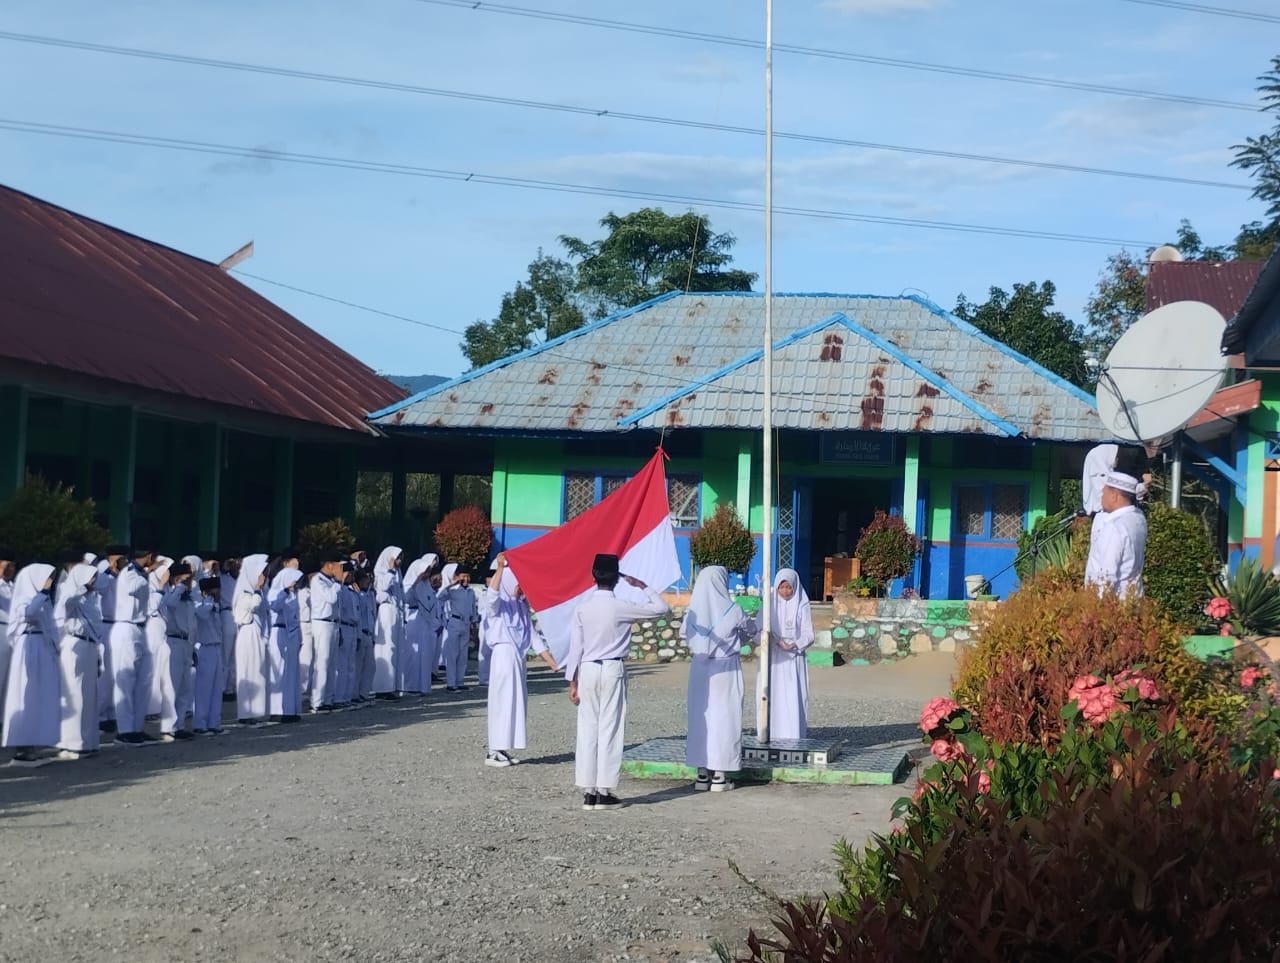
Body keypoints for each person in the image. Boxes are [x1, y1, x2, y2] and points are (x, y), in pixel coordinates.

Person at [563, 553, 668, 811]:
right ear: (617, 578)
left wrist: (572, 681)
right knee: (610, 727)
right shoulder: (622, 605)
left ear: (593, 576)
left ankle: (588, 791)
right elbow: (661, 608)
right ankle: (604, 790)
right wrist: (642, 586)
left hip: (587, 668)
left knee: (588, 728)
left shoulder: (583, 608)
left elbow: (575, 647)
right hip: (612, 667)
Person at [682, 565, 757, 793]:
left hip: (699, 668)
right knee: (725, 717)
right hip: (725, 668)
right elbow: (751, 630)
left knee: (699, 717)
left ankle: (702, 774)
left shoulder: (692, 612)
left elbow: (684, 635)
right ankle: (720, 776)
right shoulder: (732, 609)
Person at [483, 553, 558, 768]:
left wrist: (551, 662)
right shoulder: (498, 605)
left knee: (513, 702)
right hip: (503, 655)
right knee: (502, 701)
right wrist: (499, 568)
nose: (520, 587)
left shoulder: (519, 606)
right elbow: (492, 595)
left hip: (516, 657)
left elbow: (533, 637)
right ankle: (492, 750)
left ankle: (501, 746)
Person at [2, 563, 60, 764]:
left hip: (41, 646)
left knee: (39, 696)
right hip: (29, 645)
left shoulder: (43, 600)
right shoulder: (27, 597)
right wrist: (43, 591)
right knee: (26, 694)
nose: (49, 582)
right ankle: (23, 746)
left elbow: (50, 624)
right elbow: (28, 613)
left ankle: (34, 742)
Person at [104, 546, 155, 745]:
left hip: (140, 628)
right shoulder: (130, 572)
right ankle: (125, 731)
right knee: (125, 681)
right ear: (148, 556)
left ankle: (137, 728)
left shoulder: (139, 573)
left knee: (144, 681)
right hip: (125, 627)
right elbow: (134, 588)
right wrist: (149, 573)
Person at [54, 561, 103, 759]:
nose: (94, 581)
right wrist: (82, 588)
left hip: (90, 645)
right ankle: (70, 743)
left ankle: (88, 741)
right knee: (75, 694)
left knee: (89, 695)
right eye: (91, 577)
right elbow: (64, 606)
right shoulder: (70, 592)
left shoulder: (91, 599)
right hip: (74, 645)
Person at [760, 568, 814, 741]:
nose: (785, 591)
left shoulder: (802, 604)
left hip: (793, 658)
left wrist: (795, 644)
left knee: (792, 698)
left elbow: (808, 633)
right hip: (772, 658)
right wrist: (772, 639)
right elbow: (757, 630)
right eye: (782, 587)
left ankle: (793, 736)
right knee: (770, 695)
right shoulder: (769, 603)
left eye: (789, 587)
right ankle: (768, 733)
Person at [1085, 471, 1148, 597]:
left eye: (1103, 493)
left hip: (1112, 604)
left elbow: (1107, 575)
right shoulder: (1138, 519)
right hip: (1131, 599)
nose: (1101, 497)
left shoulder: (1114, 526)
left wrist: (1097, 607)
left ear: (1113, 496)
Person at [159, 562, 197, 741]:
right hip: (173, 640)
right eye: (186, 578)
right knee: (172, 685)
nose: (189, 582)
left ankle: (179, 724)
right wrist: (179, 587)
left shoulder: (189, 597)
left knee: (185, 687)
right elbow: (169, 605)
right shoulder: (171, 593)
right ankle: (168, 726)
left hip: (186, 643)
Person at [233, 553, 270, 725]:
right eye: (261, 573)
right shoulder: (244, 592)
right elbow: (252, 608)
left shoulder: (259, 592)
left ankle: (256, 712)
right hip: (247, 634)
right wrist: (257, 590)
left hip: (256, 633)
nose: (263, 577)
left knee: (257, 672)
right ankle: (246, 713)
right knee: (248, 672)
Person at [308, 552, 346, 712]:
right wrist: (338, 581)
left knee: (332, 664)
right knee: (322, 663)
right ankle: (317, 701)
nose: (341, 569)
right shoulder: (318, 580)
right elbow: (330, 598)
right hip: (322, 623)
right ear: (330, 565)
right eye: (339, 565)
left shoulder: (331, 581)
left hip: (333, 623)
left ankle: (328, 699)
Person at [267, 567, 304, 722]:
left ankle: (290, 709)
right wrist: (284, 591)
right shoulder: (275, 592)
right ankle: (277, 710)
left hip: (292, 633)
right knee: (280, 672)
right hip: (279, 632)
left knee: (291, 673)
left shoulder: (294, 595)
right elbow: (274, 607)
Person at [191, 575, 224, 735]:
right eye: (216, 589)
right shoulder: (199, 604)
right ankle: (200, 724)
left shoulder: (216, 605)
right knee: (204, 689)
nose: (219, 593)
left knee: (217, 688)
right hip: (204, 648)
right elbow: (202, 615)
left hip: (217, 647)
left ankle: (214, 723)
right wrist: (209, 600)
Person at [399, 554, 436, 695]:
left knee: (425, 653)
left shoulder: (426, 585)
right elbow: (407, 598)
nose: (427, 574)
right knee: (412, 654)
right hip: (413, 619)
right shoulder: (409, 584)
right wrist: (416, 582)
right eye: (424, 572)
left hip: (425, 622)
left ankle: (423, 685)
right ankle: (410, 685)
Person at [439, 563, 479, 692]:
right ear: (457, 577)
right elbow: (439, 597)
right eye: (463, 576)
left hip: (466, 624)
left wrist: (474, 625)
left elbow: (473, 609)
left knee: (463, 655)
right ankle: (451, 683)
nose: (466, 579)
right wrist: (451, 584)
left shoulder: (471, 592)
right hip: (455, 622)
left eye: (468, 576)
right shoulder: (453, 590)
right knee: (453, 654)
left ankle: (460, 681)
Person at [372, 546, 404, 699]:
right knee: (387, 648)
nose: (399, 561)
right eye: (397, 558)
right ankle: (383, 687)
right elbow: (383, 588)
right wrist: (390, 570)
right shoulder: (381, 572)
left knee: (396, 649)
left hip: (396, 611)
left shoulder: (397, 574)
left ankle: (393, 685)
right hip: (386, 610)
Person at [0, 546, 15, 725]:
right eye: (4, 566)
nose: (7, 570)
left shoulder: (14, 587)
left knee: (9, 682)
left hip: (13, 635)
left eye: (11, 566)